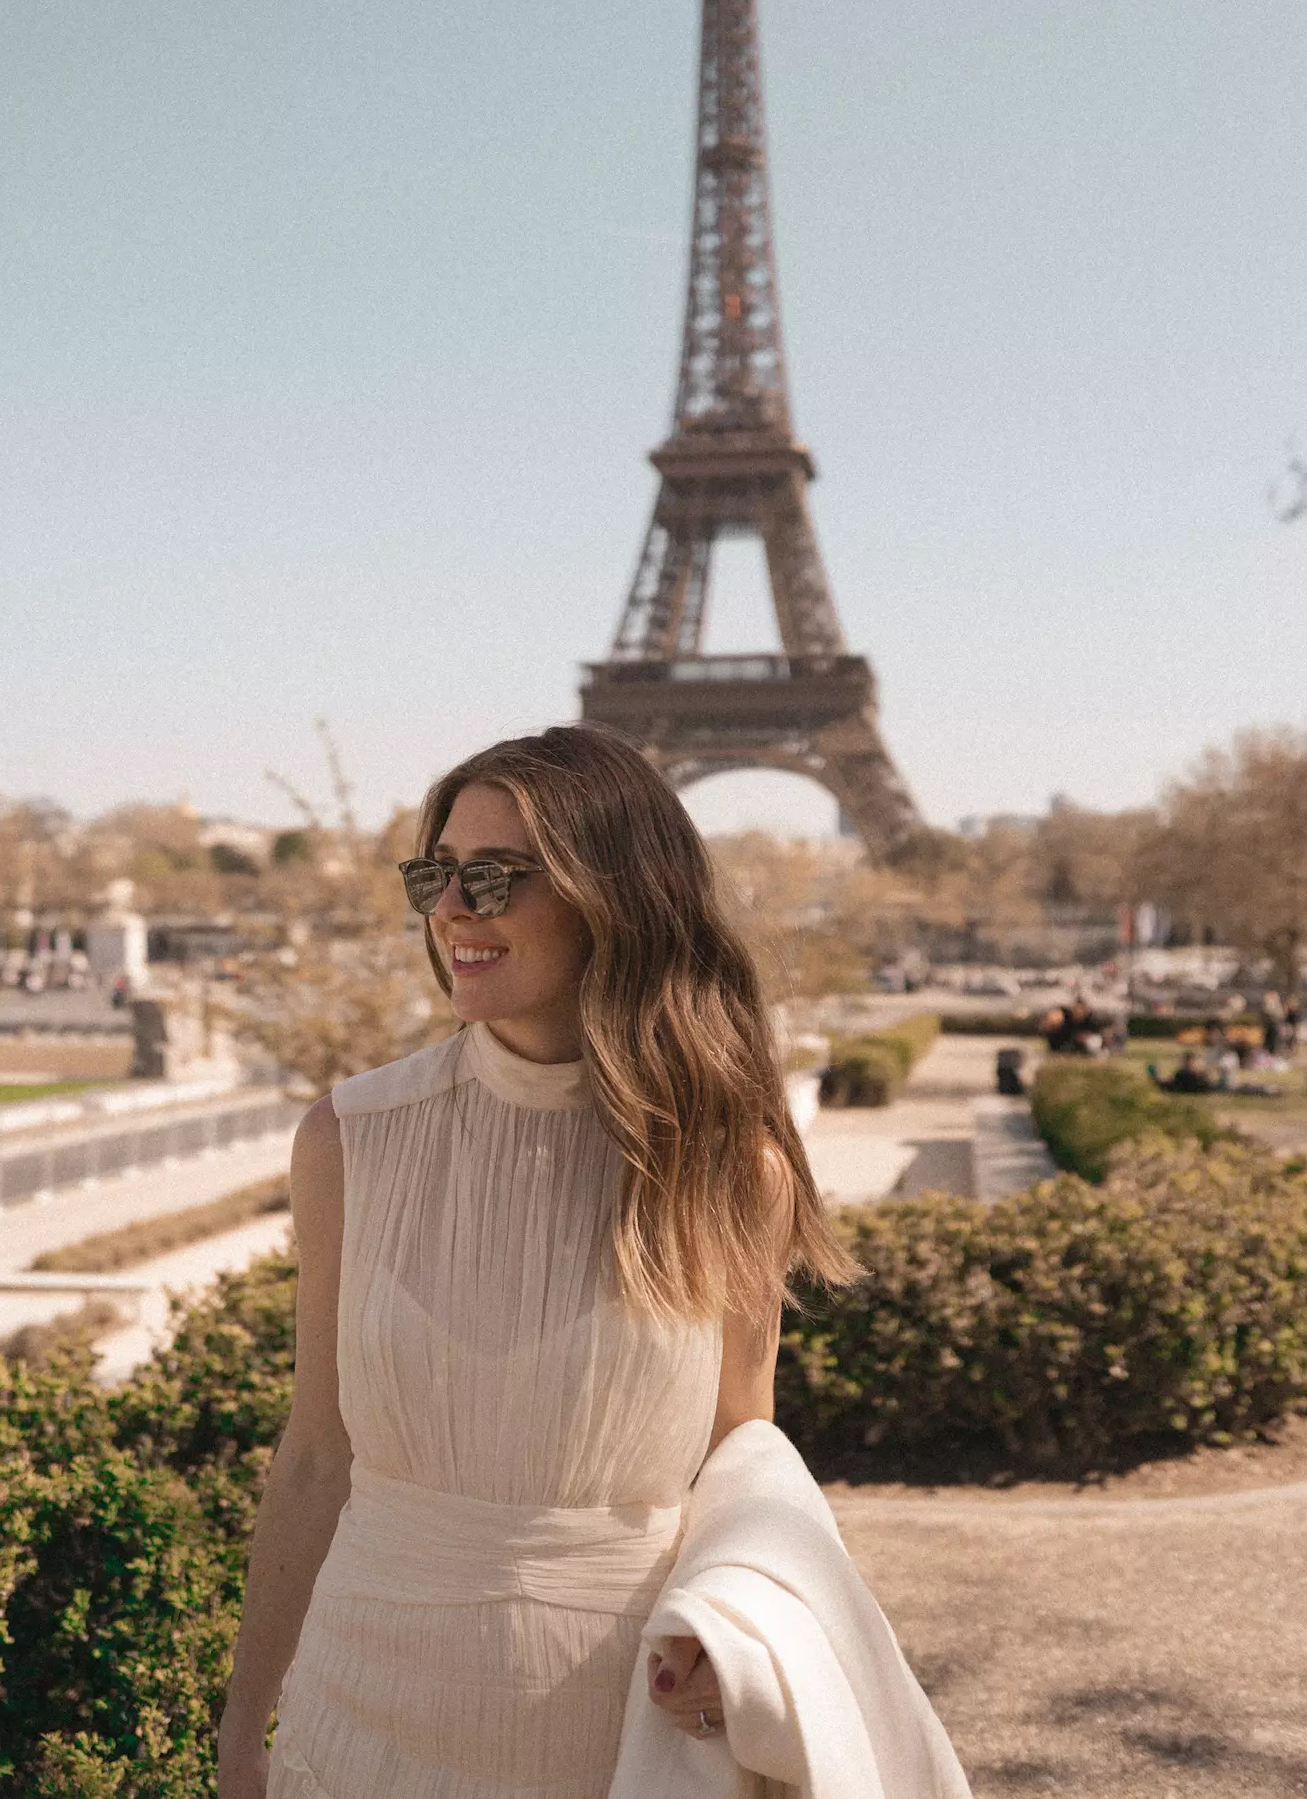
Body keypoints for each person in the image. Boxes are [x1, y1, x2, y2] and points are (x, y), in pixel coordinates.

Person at [217, 726, 874, 1799]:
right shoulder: (346, 1138)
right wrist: (243, 1728)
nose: (452, 909)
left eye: (493, 877)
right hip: (356, 1713)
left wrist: (740, 1636)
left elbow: (742, 1460)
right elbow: (312, 1453)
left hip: (616, 1723)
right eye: (435, 874)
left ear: (611, 892)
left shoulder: (730, 1167)